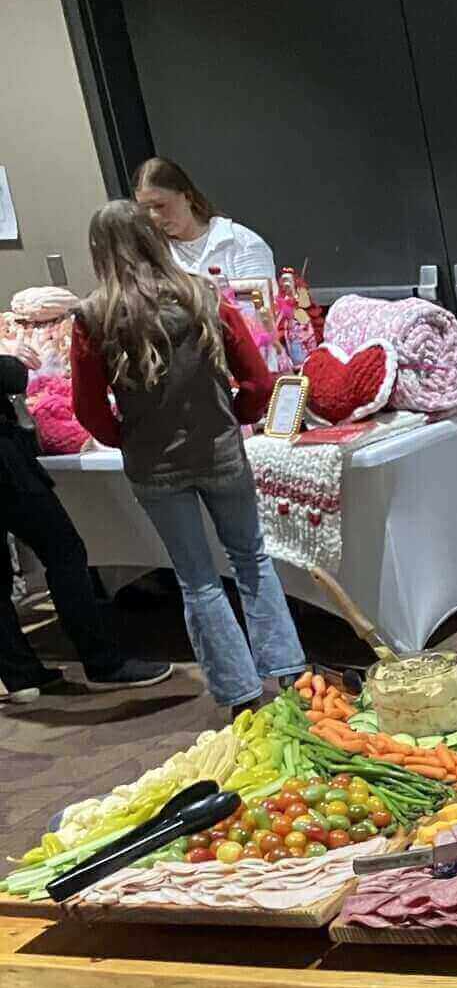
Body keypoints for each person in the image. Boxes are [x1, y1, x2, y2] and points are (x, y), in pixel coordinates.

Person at [70, 201, 304, 714]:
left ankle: (242, 695)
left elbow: (87, 408)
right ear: (154, 238)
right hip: (220, 451)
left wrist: (126, 438)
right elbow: (258, 380)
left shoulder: (93, 317)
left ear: (99, 252)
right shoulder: (203, 295)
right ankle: (289, 673)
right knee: (252, 558)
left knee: (198, 581)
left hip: (154, 466)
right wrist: (234, 416)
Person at [0, 341, 171, 702]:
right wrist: (13, 361)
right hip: (6, 467)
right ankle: (101, 660)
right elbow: (11, 376)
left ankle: (21, 674)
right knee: (64, 551)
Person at [132, 157, 276, 287]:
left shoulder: (241, 243)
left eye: (160, 205)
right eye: (145, 209)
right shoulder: (153, 253)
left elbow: (260, 301)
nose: (154, 216)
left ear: (187, 197)